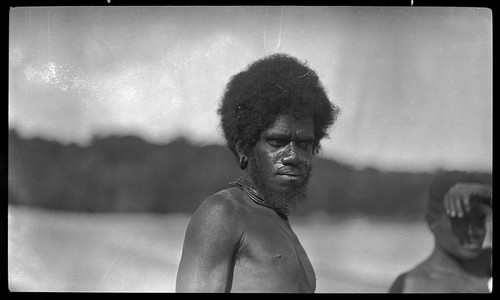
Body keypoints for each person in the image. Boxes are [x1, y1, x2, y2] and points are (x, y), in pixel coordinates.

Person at [175, 53, 339, 292]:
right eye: (277, 141)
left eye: (304, 144)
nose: (293, 156)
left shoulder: (278, 219)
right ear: (244, 147)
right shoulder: (222, 214)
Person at [388, 171, 492, 293]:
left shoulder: (488, 264)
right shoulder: (412, 286)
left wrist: (489, 194)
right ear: (432, 222)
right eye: (461, 222)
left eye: (480, 221)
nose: (475, 232)